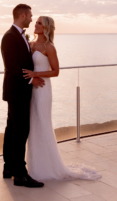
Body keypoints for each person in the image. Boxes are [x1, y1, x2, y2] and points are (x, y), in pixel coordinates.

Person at [23, 16, 101, 181]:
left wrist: (35, 74)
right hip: (31, 90)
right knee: (33, 126)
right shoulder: (29, 44)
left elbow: (55, 71)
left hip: (43, 90)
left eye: (39, 23)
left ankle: (48, 168)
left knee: (43, 124)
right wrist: (31, 78)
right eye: (36, 22)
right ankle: (34, 167)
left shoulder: (49, 47)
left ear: (46, 28)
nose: (35, 25)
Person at [0, 4, 45, 188]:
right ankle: (20, 174)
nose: (32, 19)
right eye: (30, 16)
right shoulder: (9, 37)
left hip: (18, 91)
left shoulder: (20, 36)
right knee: (20, 131)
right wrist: (31, 80)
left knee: (12, 129)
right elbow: (12, 66)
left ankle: (9, 168)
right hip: (17, 91)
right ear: (23, 15)